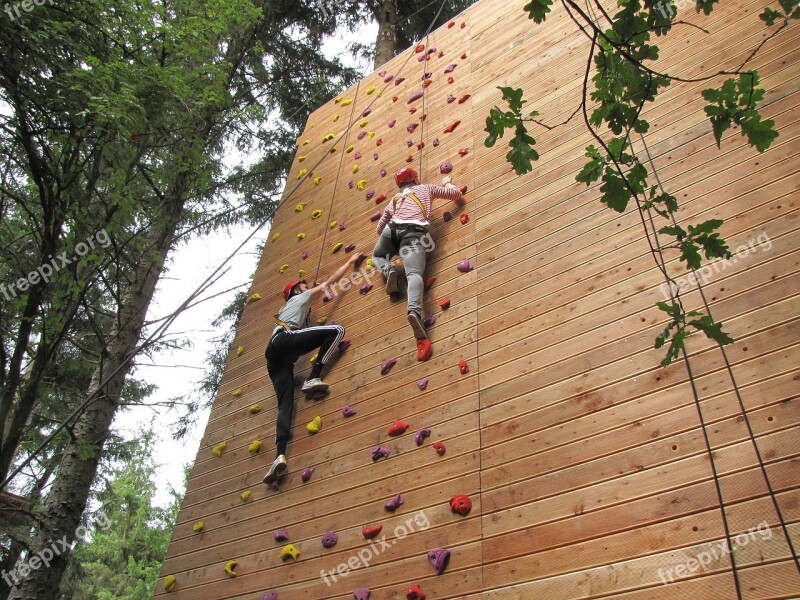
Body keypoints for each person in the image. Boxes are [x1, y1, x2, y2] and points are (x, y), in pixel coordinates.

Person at [263, 253, 360, 484]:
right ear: (297, 290)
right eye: (304, 286)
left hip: (274, 358)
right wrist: (350, 261)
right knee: (336, 331)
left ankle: (279, 456)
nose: (308, 288)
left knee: (285, 404)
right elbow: (330, 283)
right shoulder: (300, 298)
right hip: (285, 341)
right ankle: (313, 378)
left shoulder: (289, 308)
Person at [372, 166, 464, 362]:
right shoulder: (426, 189)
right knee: (414, 274)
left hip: (391, 231)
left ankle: (389, 271)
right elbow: (456, 195)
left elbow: (379, 229)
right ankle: (413, 311)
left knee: (378, 256)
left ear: (400, 185)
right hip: (414, 232)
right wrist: (447, 182)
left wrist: (394, 244)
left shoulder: (395, 200)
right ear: (415, 179)